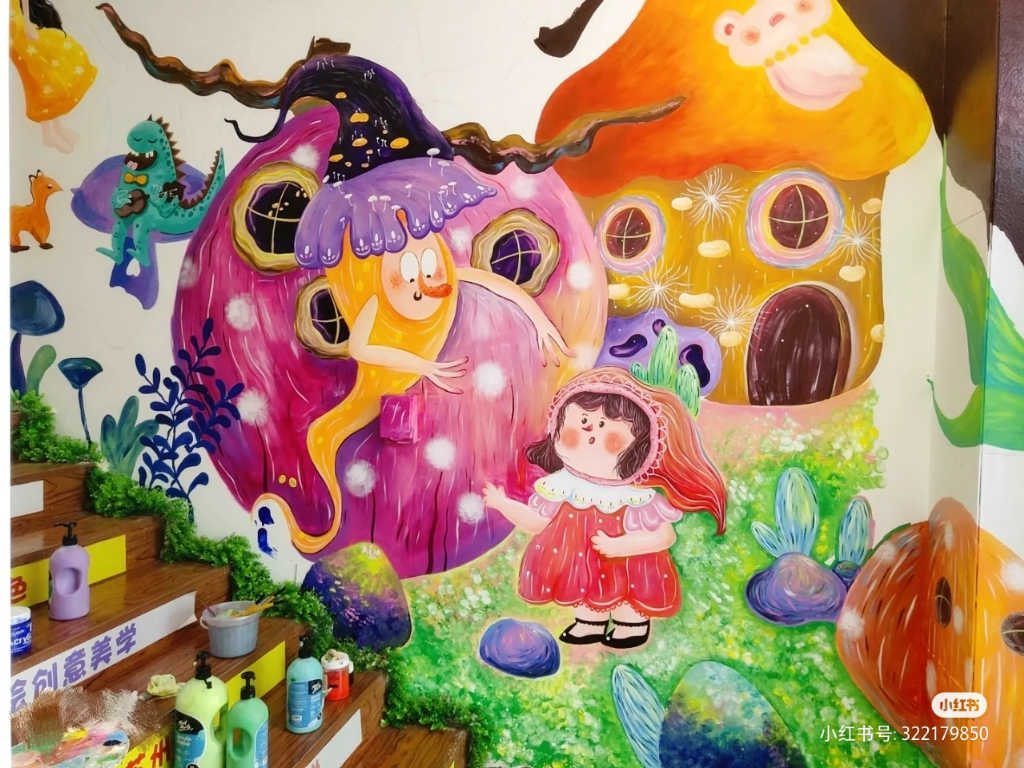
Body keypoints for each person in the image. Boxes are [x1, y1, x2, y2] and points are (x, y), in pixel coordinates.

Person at [484, 366, 726, 649]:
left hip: (627, 561)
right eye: (579, 426)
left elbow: (664, 536)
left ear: (640, 450)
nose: (590, 437)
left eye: (608, 435)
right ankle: (590, 622)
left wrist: (623, 546)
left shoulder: (634, 498)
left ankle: (632, 625)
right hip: (580, 562)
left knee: (627, 594)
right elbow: (537, 522)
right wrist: (503, 504)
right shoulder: (562, 486)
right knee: (582, 587)